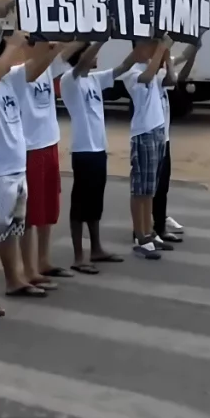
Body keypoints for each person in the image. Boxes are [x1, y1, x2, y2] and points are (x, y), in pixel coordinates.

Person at [0, 33, 65, 317]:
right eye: (5, 57)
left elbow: (36, 68)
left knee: (11, 231)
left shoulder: (11, 83)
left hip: (16, 170)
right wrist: (12, 45)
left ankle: (14, 280)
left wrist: (53, 49)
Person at [58, 41, 142, 273]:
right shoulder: (70, 80)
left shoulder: (95, 79)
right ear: (81, 56)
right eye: (90, 53)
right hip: (83, 151)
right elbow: (82, 63)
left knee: (95, 203)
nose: (96, 56)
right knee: (80, 204)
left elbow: (124, 67)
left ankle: (96, 248)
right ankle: (78, 256)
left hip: (98, 150)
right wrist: (99, 39)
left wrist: (141, 46)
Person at [11, 39, 83, 287]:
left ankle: (44, 260)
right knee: (30, 214)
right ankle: (29, 269)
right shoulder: (17, 73)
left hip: (49, 144)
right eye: (39, 42)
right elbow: (34, 71)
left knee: (49, 209)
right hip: (30, 149)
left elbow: (69, 51)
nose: (48, 46)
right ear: (27, 47)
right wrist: (51, 53)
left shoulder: (50, 68)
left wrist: (90, 33)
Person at [120, 36, 174, 260]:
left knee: (150, 188)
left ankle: (149, 232)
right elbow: (148, 77)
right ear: (140, 48)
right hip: (142, 134)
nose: (155, 49)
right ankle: (140, 235)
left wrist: (168, 57)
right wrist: (162, 48)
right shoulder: (132, 72)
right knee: (139, 188)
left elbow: (170, 81)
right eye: (151, 45)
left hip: (158, 131)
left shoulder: (153, 68)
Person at [152, 39, 203, 244]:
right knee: (150, 186)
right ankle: (147, 227)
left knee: (162, 185)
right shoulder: (150, 71)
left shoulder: (165, 65)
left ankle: (160, 225)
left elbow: (182, 60)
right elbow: (176, 77)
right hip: (151, 136)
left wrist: (196, 45)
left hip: (164, 137)